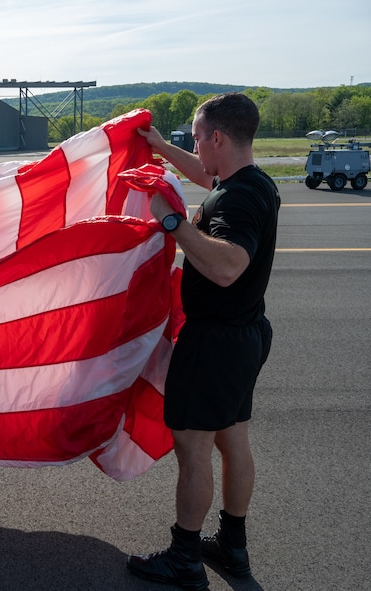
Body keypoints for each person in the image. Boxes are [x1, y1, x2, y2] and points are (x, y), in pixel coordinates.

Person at [126, 93, 280, 590]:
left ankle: (185, 557)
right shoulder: (248, 182)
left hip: (216, 342)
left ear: (217, 136)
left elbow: (228, 266)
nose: (192, 145)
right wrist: (160, 148)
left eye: (195, 137)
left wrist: (171, 222)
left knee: (192, 449)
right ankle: (232, 547)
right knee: (233, 441)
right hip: (244, 335)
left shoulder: (239, 198)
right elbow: (204, 176)